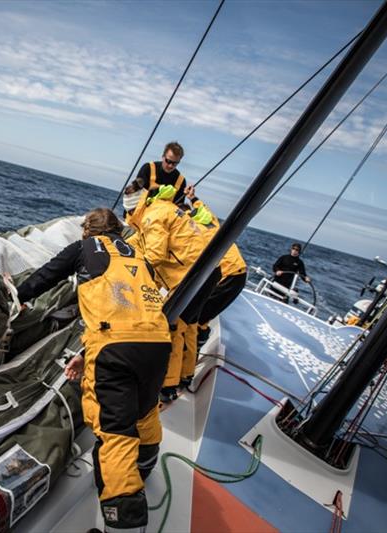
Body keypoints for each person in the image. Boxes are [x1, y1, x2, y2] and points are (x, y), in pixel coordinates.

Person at [16, 208, 171, 532]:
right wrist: (87, 355)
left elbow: (45, 277)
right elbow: (130, 310)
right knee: (144, 413)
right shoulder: (138, 256)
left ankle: (124, 524)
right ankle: (144, 467)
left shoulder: (84, 249)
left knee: (115, 435)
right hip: (157, 344)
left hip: (115, 349)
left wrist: (17, 294)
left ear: (88, 231)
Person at [124, 185, 221, 402]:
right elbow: (142, 245)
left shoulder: (152, 217)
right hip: (205, 272)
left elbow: (155, 256)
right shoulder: (161, 208)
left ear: (132, 210)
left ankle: (165, 387)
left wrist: (132, 283)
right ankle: (182, 378)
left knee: (170, 327)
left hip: (195, 276)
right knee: (185, 326)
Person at [185, 186, 248, 349]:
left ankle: (189, 361)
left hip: (227, 275)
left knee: (193, 318)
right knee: (201, 316)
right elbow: (199, 205)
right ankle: (196, 350)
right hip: (238, 272)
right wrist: (192, 197)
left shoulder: (188, 228)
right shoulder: (209, 218)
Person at [123, 141, 188, 224]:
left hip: (157, 226)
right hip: (136, 220)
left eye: (175, 163)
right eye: (168, 161)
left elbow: (178, 210)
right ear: (163, 157)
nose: (171, 166)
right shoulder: (148, 168)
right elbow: (134, 194)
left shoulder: (181, 181)